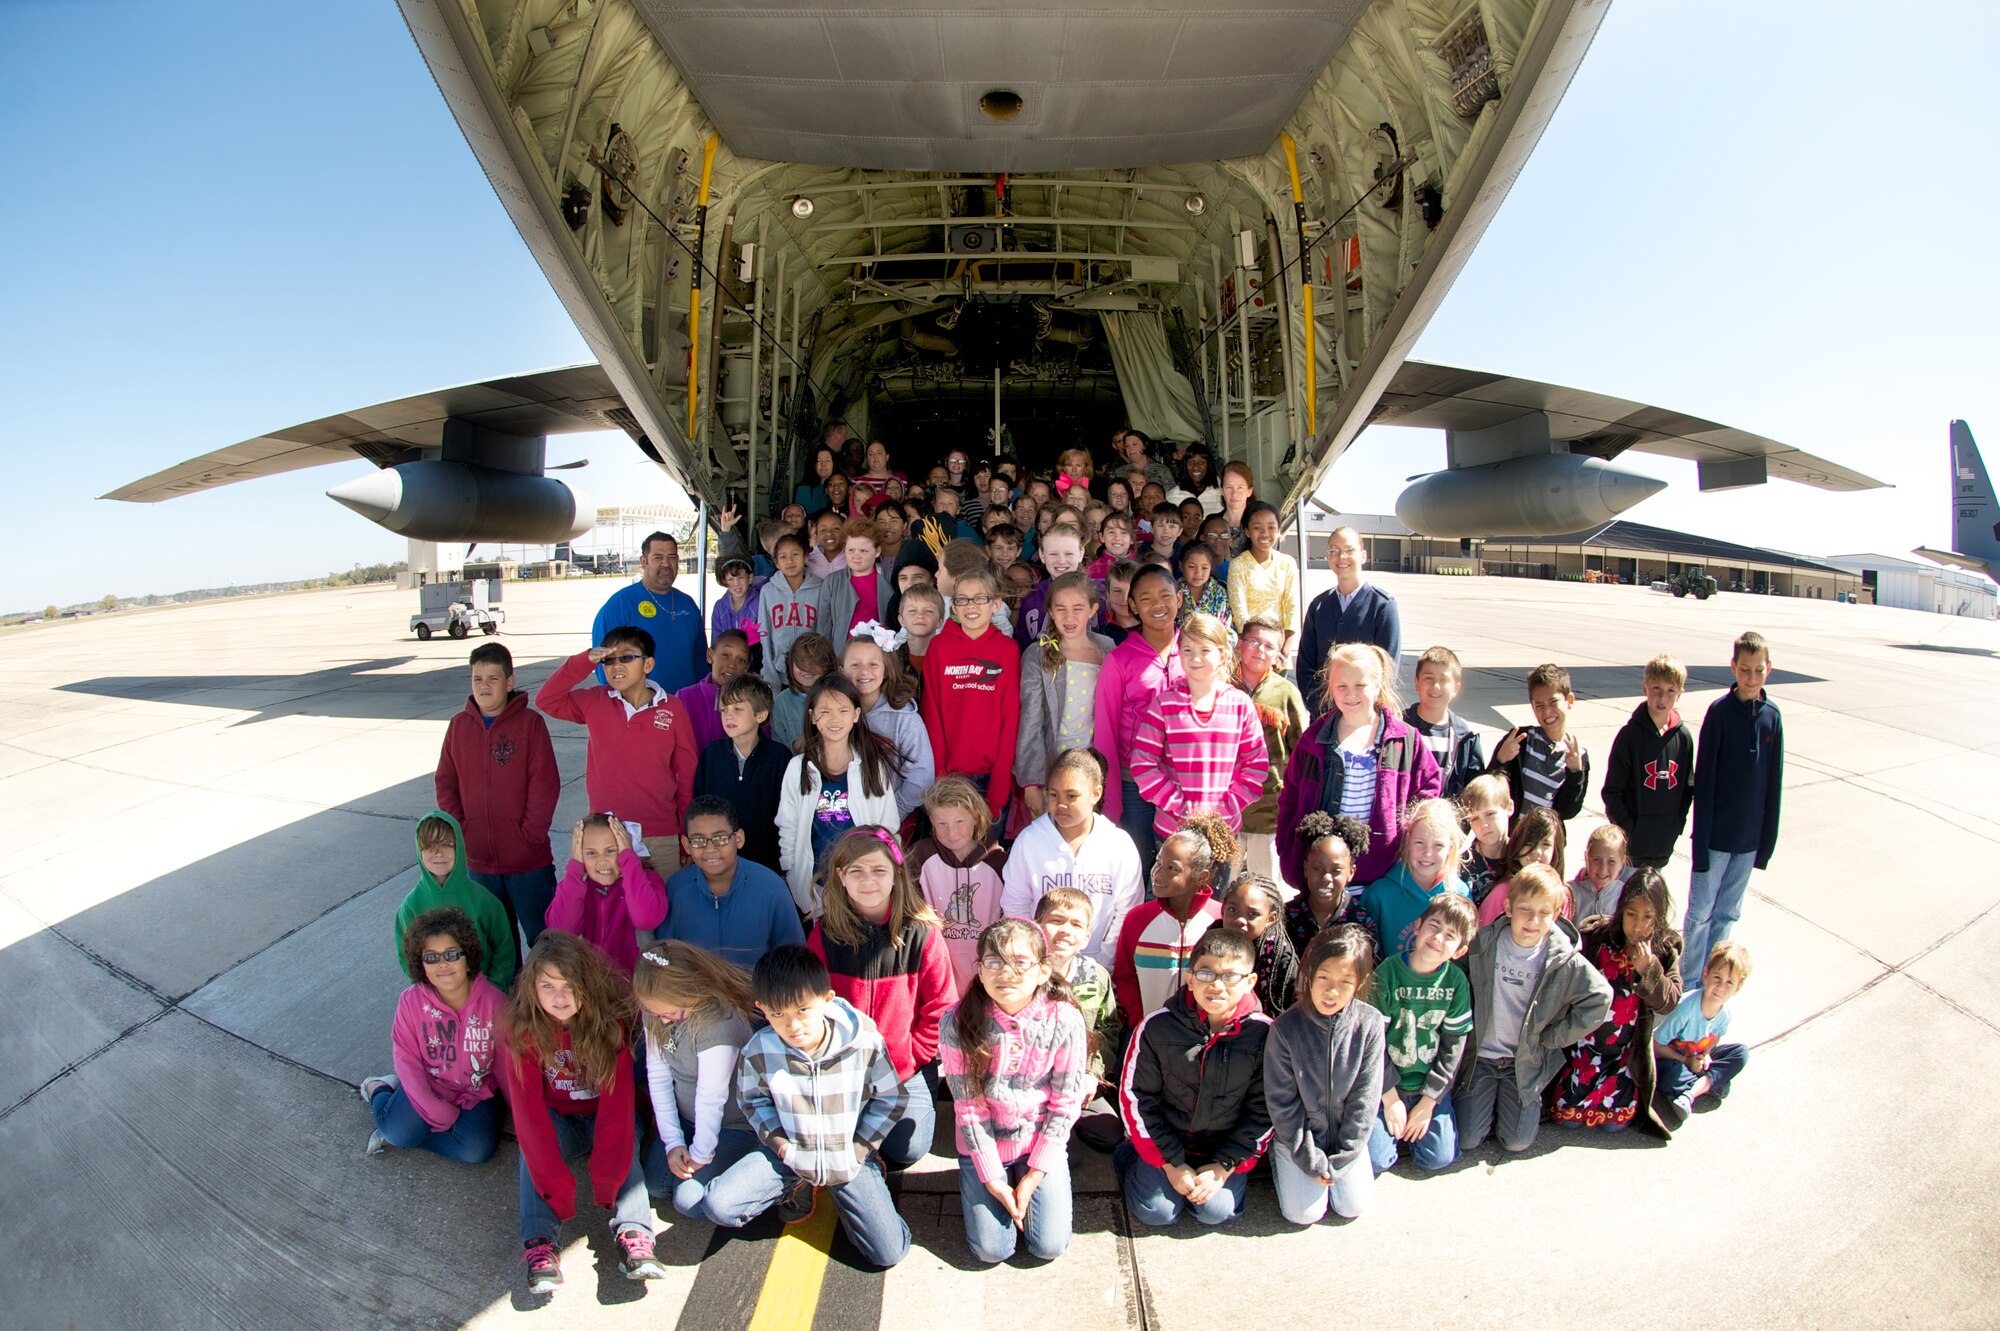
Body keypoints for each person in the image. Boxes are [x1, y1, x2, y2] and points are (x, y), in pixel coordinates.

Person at [701, 945, 913, 1267]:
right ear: (762, 1008)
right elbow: (752, 1100)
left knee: (889, 1253)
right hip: (793, 1153)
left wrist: (860, 1148)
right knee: (719, 1205)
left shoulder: (863, 1040)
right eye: (777, 1014)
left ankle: (853, 1188)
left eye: (802, 1010)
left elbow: (890, 1097)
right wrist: (783, 1147)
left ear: (826, 999)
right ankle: (799, 1183)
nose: (793, 1026)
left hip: (847, 1154)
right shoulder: (759, 1049)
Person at [505, 931, 665, 1293]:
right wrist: (556, 1188)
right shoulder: (522, 1033)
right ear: (532, 988)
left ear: (586, 984)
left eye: (569, 985)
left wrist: (607, 1178)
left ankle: (635, 1235)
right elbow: (528, 1115)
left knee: (626, 1154)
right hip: (560, 1117)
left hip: (607, 1112)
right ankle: (540, 1245)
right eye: (548, 986)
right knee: (530, 1153)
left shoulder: (610, 1026)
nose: (560, 997)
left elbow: (617, 1110)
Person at [939, 918, 1089, 1265]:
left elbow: (1065, 1102)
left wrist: (1035, 1172)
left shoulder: (1064, 1018)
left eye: (1021, 962)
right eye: (994, 962)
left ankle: (1029, 1175)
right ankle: (983, 1179)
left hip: (1037, 1139)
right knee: (992, 1250)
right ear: (978, 969)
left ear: (1042, 970)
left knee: (1048, 1246)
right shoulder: (956, 1021)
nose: (1006, 972)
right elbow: (969, 1108)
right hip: (985, 1143)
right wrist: (992, 1178)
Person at [807, 828, 957, 1168]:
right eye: (856, 871)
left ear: (896, 875)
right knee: (841, 1137)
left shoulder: (923, 933)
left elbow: (941, 1007)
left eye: (878, 870)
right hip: (843, 1066)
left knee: (906, 1150)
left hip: (906, 1066)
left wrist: (911, 1055)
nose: (868, 880)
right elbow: (811, 1003)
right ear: (841, 877)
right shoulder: (826, 933)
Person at [1115, 926, 1271, 1227]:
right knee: (1158, 1213)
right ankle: (1129, 1157)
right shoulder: (1157, 1028)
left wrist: (1224, 1166)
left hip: (1222, 1148)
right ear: (1189, 977)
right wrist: (1172, 1164)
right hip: (1167, 1141)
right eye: (1206, 974)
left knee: (1215, 1212)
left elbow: (1266, 1109)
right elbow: (1136, 1097)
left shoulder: (1263, 1034)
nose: (1217, 985)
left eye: (1230, 976)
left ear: (1250, 982)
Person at [1456, 864, 1612, 1153]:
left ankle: (1509, 1104)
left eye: (1543, 913)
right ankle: (1483, 1101)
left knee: (1517, 1142)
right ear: (1509, 908)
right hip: (1483, 1057)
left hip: (1523, 1062)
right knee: (1466, 1140)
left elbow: (1600, 996)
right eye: (1525, 909)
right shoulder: (1484, 943)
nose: (1533, 920)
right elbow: (1454, 972)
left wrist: (1553, 1038)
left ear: (1555, 916)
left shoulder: (1561, 958)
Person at [1277, 642, 1442, 893]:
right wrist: (1289, 851)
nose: (1350, 694)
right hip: (1324, 879)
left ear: (1378, 685)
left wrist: (1405, 841)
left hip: (1383, 879)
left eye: (1360, 686)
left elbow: (1427, 791)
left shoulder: (1405, 740)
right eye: (1342, 686)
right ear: (1331, 688)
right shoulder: (1313, 740)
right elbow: (1289, 798)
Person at [537, 626, 699, 881]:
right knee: (613, 914)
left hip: (660, 835)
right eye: (608, 660)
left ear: (648, 664)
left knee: (664, 911)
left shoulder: (673, 708)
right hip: (607, 835)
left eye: (626, 657)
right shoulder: (595, 701)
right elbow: (547, 700)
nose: (616, 665)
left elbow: (687, 776)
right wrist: (584, 661)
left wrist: (684, 834)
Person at [434, 642, 559, 949]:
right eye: (477, 679)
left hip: (528, 863)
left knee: (546, 942)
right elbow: (445, 782)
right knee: (496, 946)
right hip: (480, 865)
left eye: (493, 678)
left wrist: (530, 835)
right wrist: (463, 831)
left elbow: (545, 784)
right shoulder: (458, 726)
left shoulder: (530, 724)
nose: (484, 686)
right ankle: (505, 998)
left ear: (509, 682)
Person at [361, 907, 505, 1161]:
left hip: (476, 1092)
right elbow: (406, 1058)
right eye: (431, 958)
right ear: (420, 963)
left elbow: (508, 1064)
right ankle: (379, 1089)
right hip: (428, 1084)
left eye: (451, 954)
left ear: (467, 956)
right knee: (398, 1133)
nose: (443, 965)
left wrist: (523, 1112)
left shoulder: (495, 1003)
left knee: (476, 1152)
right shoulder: (411, 1001)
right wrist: (435, 1109)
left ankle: (410, 1134)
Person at [1263, 924, 1385, 1224]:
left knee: (1352, 1206)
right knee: (1303, 1214)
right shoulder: (1285, 1029)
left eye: (1345, 981)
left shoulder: (1370, 1024)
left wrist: (1345, 1156)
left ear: (1360, 982)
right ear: (1309, 974)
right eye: (1324, 978)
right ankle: (1281, 1161)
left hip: (1344, 1138)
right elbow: (1282, 1103)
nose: (1332, 991)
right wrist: (1311, 1160)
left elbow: (1365, 1099)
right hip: (1300, 1140)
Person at [1547, 870, 1684, 1135]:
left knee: (1614, 1124)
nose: (1638, 926)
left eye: (1648, 917)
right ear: (1621, 910)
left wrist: (1649, 970)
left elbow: (1669, 1001)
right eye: (1631, 914)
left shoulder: (1665, 949)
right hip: (1583, 1050)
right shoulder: (1598, 936)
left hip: (1623, 1057)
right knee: (1567, 1118)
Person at [632, 939, 761, 1219]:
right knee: (656, 1184)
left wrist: (701, 1153)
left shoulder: (719, 1025)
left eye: (671, 1013)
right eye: (657, 1014)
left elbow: (710, 1097)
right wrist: (673, 1141)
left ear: (692, 991)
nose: (663, 1021)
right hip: (688, 1119)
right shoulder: (657, 1009)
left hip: (733, 1125)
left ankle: (761, 1176)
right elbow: (659, 1074)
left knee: (688, 1201)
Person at [1683, 631, 1784, 984]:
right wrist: (1701, 844)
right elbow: (1705, 782)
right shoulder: (1719, 713)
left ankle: (1711, 982)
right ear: (1733, 668)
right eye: (1745, 669)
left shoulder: (1773, 717)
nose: (1751, 678)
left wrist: (1765, 844)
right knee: (1700, 916)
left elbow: (1774, 785)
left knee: (1727, 915)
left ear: (1768, 669)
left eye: (1758, 670)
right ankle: (1689, 980)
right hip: (1715, 838)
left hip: (1748, 842)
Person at [1129, 615, 1267, 868]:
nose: (1195, 658)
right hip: (1173, 831)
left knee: (1215, 904)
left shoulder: (1240, 705)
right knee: (1174, 903)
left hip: (1222, 830)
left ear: (1223, 654)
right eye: (1188, 650)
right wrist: (1180, 806)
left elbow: (1256, 765)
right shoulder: (1164, 704)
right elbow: (1142, 764)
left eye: (1205, 650)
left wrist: (1226, 807)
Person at [1001, 747, 1146, 972]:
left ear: (1095, 794)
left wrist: (1103, 962)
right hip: (1040, 967)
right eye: (1053, 794)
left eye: (1071, 796)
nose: (1060, 804)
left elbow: (1127, 909)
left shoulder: (1118, 844)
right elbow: (1015, 903)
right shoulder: (1029, 841)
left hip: (1101, 969)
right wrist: (1035, 955)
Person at [1368, 894, 1477, 1173]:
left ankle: (1414, 1124)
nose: (1438, 938)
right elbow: (1372, 1042)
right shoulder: (1387, 973)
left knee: (1437, 1159)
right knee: (1376, 1161)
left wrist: (1429, 1102)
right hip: (1388, 1084)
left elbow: (1453, 1047)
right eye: (1434, 926)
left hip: (1426, 1085)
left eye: (1450, 935)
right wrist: (1389, 1098)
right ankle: (1394, 1128)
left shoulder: (1456, 982)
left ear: (1460, 950)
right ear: (1418, 925)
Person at [777, 675, 903, 915]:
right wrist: (791, 871)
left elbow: (888, 827)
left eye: (843, 710)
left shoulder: (872, 767)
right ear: (812, 715)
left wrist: (888, 873)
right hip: (816, 884)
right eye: (825, 711)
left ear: (856, 715)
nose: (835, 719)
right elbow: (788, 826)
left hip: (863, 882)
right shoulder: (798, 767)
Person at [1095, 564, 1186, 871]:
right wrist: (1111, 801)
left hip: (1185, 782)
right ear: (1132, 606)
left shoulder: (1197, 652)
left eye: (1165, 595)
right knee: (1140, 866)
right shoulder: (1119, 659)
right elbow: (1105, 731)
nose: (1157, 604)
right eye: (1145, 598)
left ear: (1180, 599)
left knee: (1181, 869)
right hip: (1133, 784)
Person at [921, 562, 1021, 822]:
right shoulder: (939, 648)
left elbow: (1010, 720)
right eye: (962, 600)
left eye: (980, 598)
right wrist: (940, 777)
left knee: (987, 857)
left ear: (995, 604)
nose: (971, 606)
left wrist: (999, 787)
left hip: (992, 777)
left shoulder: (1007, 650)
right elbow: (932, 715)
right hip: (951, 776)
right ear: (952, 606)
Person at [1112, 814, 1234, 1028]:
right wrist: (1141, 1020)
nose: (1158, 873)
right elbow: (1125, 977)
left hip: (1203, 1038)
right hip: (1148, 1034)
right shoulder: (1137, 919)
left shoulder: (1220, 921)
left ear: (1202, 877)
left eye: (1172, 869)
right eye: (1158, 862)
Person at [659, 795, 804, 969]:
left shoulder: (771, 888)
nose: (710, 849)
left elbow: (795, 960)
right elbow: (665, 960)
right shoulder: (676, 890)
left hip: (756, 993)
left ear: (739, 839)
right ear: (686, 845)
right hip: (695, 994)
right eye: (698, 840)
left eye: (720, 838)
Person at [1015, 572, 1113, 821]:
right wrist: (1031, 782)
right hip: (1053, 769)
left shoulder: (1107, 649)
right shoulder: (1038, 654)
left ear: (1092, 610)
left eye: (1078, 608)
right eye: (1061, 609)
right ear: (1050, 610)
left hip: (1096, 769)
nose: (1069, 617)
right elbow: (1031, 721)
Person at [395, 812, 517, 990]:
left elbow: (504, 949)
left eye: (446, 845)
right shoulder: (410, 907)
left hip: (484, 996)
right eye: (430, 846)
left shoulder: (485, 900)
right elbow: (407, 958)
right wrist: (430, 993)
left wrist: (493, 987)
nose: (438, 853)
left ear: (459, 846)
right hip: (437, 1001)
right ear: (419, 850)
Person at [910, 776, 1010, 991]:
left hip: (986, 970)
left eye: (959, 822)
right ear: (931, 821)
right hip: (937, 967)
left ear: (975, 818)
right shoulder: (919, 856)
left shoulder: (999, 863)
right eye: (942, 824)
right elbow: (909, 909)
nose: (951, 832)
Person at [1601, 653, 1697, 871]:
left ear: (1680, 694)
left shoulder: (1683, 738)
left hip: (1662, 847)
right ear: (1645, 688)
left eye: (1670, 690)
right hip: (1630, 853)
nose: (1662, 698)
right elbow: (1611, 792)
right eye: (1656, 689)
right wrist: (1629, 832)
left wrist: (1675, 826)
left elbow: (1687, 789)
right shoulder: (1629, 736)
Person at [1234, 614, 1308, 883]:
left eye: (1269, 646)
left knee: (1265, 888)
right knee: (1221, 889)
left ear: (1278, 655)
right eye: (1254, 641)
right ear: (1240, 644)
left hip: (1269, 810)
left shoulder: (1285, 693)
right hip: (1226, 808)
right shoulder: (1221, 684)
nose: (1260, 650)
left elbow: (1301, 750)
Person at [1298, 526, 1403, 716]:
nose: (1341, 557)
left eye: (1349, 550)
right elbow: (1305, 665)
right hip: (1323, 717)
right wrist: (1321, 708)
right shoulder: (1319, 606)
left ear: (1363, 556)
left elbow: (1388, 668)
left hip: (1365, 716)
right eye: (1334, 551)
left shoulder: (1382, 606)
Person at [545, 815, 668, 976]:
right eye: (591, 853)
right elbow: (560, 931)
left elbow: (646, 919)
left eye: (611, 851)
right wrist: (575, 870)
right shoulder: (576, 886)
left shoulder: (646, 880)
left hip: (639, 985)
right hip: (596, 984)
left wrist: (629, 861)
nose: (602, 861)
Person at [692, 673, 789, 873]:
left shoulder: (779, 758)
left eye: (737, 709)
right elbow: (699, 806)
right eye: (724, 709)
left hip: (767, 863)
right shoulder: (711, 755)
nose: (728, 716)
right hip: (718, 862)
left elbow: (787, 817)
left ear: (760, 715)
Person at [1357, 797, 1471, 961]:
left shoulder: (1460, 894)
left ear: (1451, 847)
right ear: (1408, 840)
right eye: (1420, 843)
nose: (1428, 853)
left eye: (1438, 845)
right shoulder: (1379, 895)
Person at [592, 532, 705, 695]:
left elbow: (700, 659)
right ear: (643, 562)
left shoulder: (688, 604)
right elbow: (604, 665)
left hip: (685, 707)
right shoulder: (620, 606)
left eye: (672, 557)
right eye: (658, 557)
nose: (666, 563)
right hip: (641, 710)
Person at [842, 626, 935, 823]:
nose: (864, 671)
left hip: (890, 820)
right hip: (843, 816)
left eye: (873, 664)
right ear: (841, 670)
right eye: (855, 665)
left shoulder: (905, 719)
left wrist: (892, 813)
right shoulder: (835, 714)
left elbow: (922, 777)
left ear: (886, 670)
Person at [1654, 939, 1752, 1125]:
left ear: (1737, 988)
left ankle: (1691, 1091)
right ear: (1706, 974)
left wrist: (1706, 1055)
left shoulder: (1725, 1014)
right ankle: (1707, 1084)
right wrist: (1686, 1061)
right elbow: (1655, 1045)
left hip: (1695, 1057)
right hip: (1672, 1059)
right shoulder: (1686, 1008)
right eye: (1717, 978)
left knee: (1741, 1052)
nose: (1721, 987)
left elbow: (1715, 1038)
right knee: (1670, 1075)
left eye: (1730, 983)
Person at [1489, 662, 1590, 822]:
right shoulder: (1520, 739)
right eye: (1539, 705)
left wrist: (1575, 773)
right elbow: (1489, 786)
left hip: (1545, 842)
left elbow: (1568, 811)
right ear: (1533, 707)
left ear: (1569, 700)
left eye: (1553, 702)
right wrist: (1500, 760)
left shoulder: (1577, 755)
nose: (1547, 711)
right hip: (1513, 838)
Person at [1282, 811, 1371, 956]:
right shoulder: (1287, 916)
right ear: (1306, 869)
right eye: (1317, 869)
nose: (1326, 878)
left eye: (1336, 870)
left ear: (1351, 872)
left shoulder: (1360, 920)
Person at [1404, 645, 1487, 798]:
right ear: (1417, 683)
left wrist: (1500, 761)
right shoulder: (1399, 727)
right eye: (1428, 678)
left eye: (1443, 680)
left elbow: (1475, 785)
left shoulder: (1466, 738)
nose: (1435, 686)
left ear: (1456, 688)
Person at [1225, 501, 1300, 659]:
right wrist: (1257, 647)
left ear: (1279, 531)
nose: (1265, 533)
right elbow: (1240, 614)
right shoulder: (1238, 565)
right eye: (1257, 527)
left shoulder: (1287, 563)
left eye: (1271, 527)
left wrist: (1284, 650)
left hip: (1278, 651)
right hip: (1249, 650)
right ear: (1247, 531)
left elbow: (1292, 609)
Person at [1221, 872, 1302, 1014]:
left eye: (1252, 914)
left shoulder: (1278, 955)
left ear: (1271, 918)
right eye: (1232, 910)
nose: (1240, 920)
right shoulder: (1211, 942)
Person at [1477, 807, 1569, 928]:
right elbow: (1482, 939)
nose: (1536, 851)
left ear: (1556, 850)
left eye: (1546, 844)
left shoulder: (1562, 896)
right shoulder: (1502, 893)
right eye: (1529, 844)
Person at [816, 518, 896, 656]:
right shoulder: (832, 582)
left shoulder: (889, 578)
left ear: (877, 551)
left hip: (880, 655)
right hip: (843, 656)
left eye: (863, 551)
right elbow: (823, 627)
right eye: (851, 550)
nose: (856, 556)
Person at [758, 532, 823, 691]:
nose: (790, 561)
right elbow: (764, 632)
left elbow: (824, 631)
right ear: (776, 562)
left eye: (795, 554)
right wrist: (770, 675)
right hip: (779, 673)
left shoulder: (821, 588)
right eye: (783, 557)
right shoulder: (768, 591)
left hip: (811, 672)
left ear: (806, 557)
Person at [675, 628, 752, 754]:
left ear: (746, 668)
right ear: (710, 656)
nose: (732, 664)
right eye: (726, 656)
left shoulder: (752, 702)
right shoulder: (684, 697)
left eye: (741, 660)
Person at [1013, 524, 1085, 647]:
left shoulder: (1097, 594)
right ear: (1042, 555)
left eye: (1068, 553)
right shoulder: (1031, 599)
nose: (1061, 560)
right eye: (1053, 554)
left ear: (1081, 553)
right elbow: (1023, 645)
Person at [771, 631, 836, 752]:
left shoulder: (838, 698)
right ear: (790, 664)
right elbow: (776, 744)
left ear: (827, 665)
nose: (807, 668)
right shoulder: (781, 702)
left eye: (814, 662)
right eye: (800, 662)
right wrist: (794, 746)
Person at [1458, 773, 1514, 907]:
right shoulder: (1462, 863)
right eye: (1475, 819)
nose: (1484, 825)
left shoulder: (1521, 855)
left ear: (1509, 807)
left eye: (1490, 814)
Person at [1570, 824, 1634, 922]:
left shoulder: (1626, 896)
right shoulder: (1570, 893)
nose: (1603, 869)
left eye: (1611, 861)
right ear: (1586, 858)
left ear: (1622, 862)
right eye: (1596, 860)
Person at [710, 556, 763, 674]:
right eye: (731, 579)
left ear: (750, 578)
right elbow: (716, 642)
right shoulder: (720, 607)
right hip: (727, 669)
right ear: (724, 581)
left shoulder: (760, 602)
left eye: (740, 578)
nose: (736, 584)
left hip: (755, 668)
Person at [1176, 543, 1229, 627]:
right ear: (1181, 566)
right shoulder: (1174, 591)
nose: (1198, 573)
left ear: (1211, 567)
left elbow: (1225, 627)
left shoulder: (1219, 593)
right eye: (1191, 567)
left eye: (1204, 568)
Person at [1166, 444, 1222, 516]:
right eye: (1191, 462)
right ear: (1185, 466)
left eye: (1201, 463)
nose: (1195, 467)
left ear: (1209, 465)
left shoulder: (1220, 494)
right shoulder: (1172, 496)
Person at [794, 445, 838, 512]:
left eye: (828, 460)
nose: (823, 464)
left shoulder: (841, 488)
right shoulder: (804, 489)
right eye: (818, 461)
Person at [806, 508, 846, 579]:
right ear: (816, 535)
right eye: (823, 530)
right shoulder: (808, 562)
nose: (829, 533)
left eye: (836, 529)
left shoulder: (853, 559)